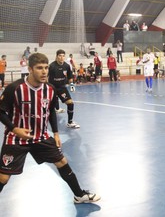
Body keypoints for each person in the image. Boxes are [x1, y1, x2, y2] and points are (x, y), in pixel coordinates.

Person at [0, 53, 100, 203]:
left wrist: (56, 133)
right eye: (39, 68)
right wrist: (15, 129)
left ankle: (79, 195)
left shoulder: (50, 89)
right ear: (30, 69)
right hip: (16, 138)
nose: (44, 71)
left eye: (46, 68)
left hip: (41, 136)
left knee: (62, 162)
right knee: (3, 177)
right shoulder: (15, 88)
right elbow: (1, 111)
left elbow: (51, 111)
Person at [48, 49, 80, 128]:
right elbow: (46, 77)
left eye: (63, 56)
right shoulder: (51, 66)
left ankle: (70, 122)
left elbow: (70, 77)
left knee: (70, 103)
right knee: (46, 107)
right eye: (60, 56)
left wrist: (72, 86)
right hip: (52, 88)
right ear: (56, 56)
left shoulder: (66, 66)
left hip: (62, 88)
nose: (62, 57)